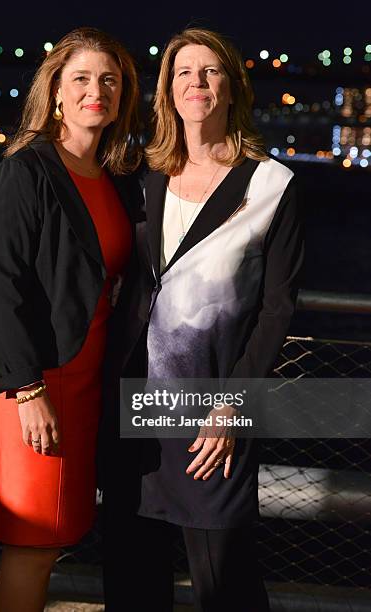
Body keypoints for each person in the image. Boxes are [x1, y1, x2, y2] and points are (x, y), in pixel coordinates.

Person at [101, 28, 304, 612]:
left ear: (232, 87)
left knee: (227, 585)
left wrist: (234, 405)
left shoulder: (273, 186)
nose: (197, 82)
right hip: (134, 406)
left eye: (210, 70)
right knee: (134, 582)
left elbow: (277, 309)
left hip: (212, 415)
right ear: (168, 89)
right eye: (183, 72)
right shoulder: (144, 174)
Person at [0, 27, 142, 612]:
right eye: (83, 78)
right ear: (57, 92)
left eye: (110, 80)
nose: (98, 91)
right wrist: (27, 388)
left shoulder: (113, 179)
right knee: (32, 546)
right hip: (33, 383)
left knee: (58, 537)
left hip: (87, 381)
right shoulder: (26, 172)